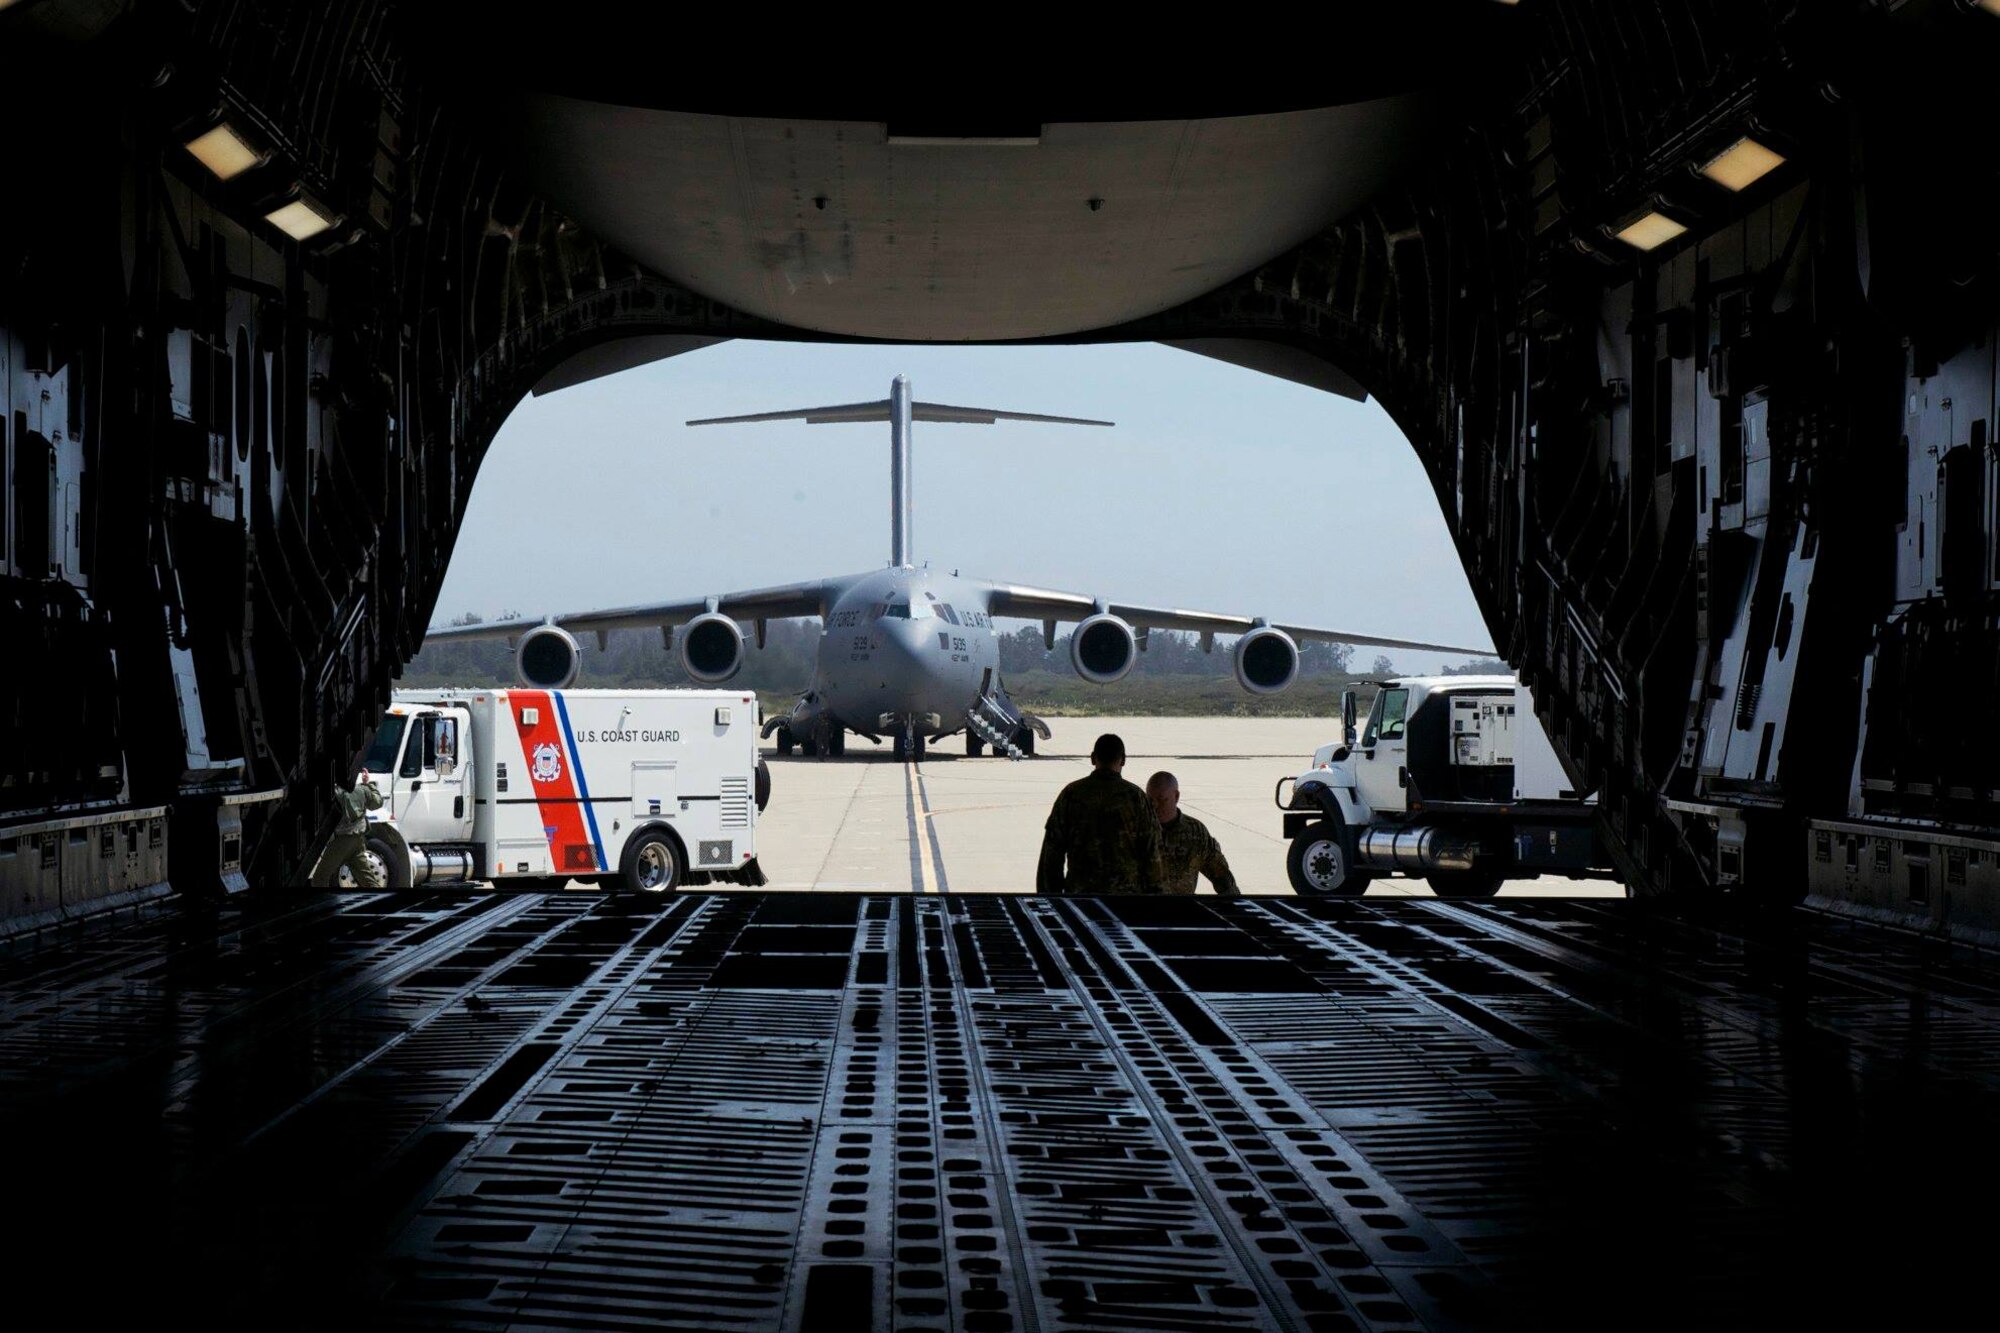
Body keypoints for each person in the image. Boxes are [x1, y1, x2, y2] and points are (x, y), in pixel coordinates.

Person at [1036, 733, 1163, 895]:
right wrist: (1157, 900)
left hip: (1080, 899)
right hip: (1127, 901)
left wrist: (1051, 899)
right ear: (1123, 760)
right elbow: (1152, 854)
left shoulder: (1071, 795)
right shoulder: (1136, 798)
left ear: (1093, 758)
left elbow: (1052, 855)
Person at [1146, 770, 1241, 897]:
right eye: (1150, 800)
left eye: (1162, 800)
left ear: (1176, 796)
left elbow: (1221, 875)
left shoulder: (1195, 832)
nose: (1155, 806)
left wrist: (1238, 904)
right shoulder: (1136, 828)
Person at [311, 772, 386, 887]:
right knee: (368, 880)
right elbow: (378, 802)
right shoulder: (362, 789)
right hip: (358, 839)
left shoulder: (336, 792)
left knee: (320, 878)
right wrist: (368, 783)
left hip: (342, 840)